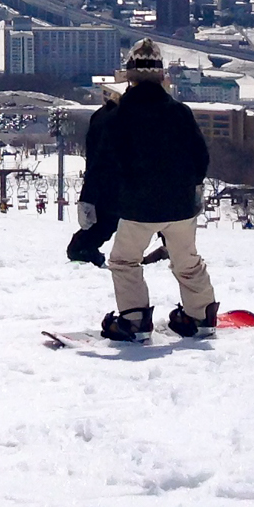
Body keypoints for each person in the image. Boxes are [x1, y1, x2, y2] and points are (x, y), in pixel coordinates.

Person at [97, 40, 219, 341]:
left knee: (125, 260)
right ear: (161, 75)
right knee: (187, 260)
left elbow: (110, 164)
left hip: (139, 206)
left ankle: (135, 321)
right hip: (181, 206)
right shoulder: (180, 112)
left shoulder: (119, 116)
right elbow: (200, 157)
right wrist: (190, 188)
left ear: (130, 75)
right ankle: (201, 317)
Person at [68, 88, 123, 268]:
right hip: (115, 182)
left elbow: (94, 158)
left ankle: (83, 248)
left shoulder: (101, 115)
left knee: (105, 221)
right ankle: (83, 248)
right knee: (108, 221)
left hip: (104, 182)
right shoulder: (115, 119)